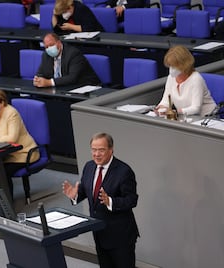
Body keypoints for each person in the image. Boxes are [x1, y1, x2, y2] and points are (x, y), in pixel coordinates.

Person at [62, 132, 139, 268]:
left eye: (101, 150)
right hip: (100, 234)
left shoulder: (124, 171)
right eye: (94, 150)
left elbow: (132, 200)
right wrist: (74, 195)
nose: (96, 154)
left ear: (111, 149)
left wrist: (111, 202)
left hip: (120, 237)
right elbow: (85, 191)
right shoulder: (89, 167)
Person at [0, 89, 39, 196]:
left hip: (22, 153)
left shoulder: (12, 113)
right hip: (1, 153)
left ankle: (8, 204)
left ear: (2, 102)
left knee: (0, 171)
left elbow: (11, 138)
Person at [155, 45, 216, 117]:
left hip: (206, 118)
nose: (171, 69)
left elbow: (196, 108)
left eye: (174, 66)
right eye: (170, 66)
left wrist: (176, 112)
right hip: (185, 117)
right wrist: (161, 108)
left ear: (184, 65)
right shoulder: (171, 78)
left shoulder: (196, 79)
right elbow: (166, 100)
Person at [33, 32, 101, 88]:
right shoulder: (46, 55)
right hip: (63, 87)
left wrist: (49, 82)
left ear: (59, 43)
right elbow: (41, 73)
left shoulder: (73, 54)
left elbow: (72, 78)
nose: (49, 49)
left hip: (84, 86)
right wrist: (38, 80)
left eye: (51, 45)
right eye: (46, 47)